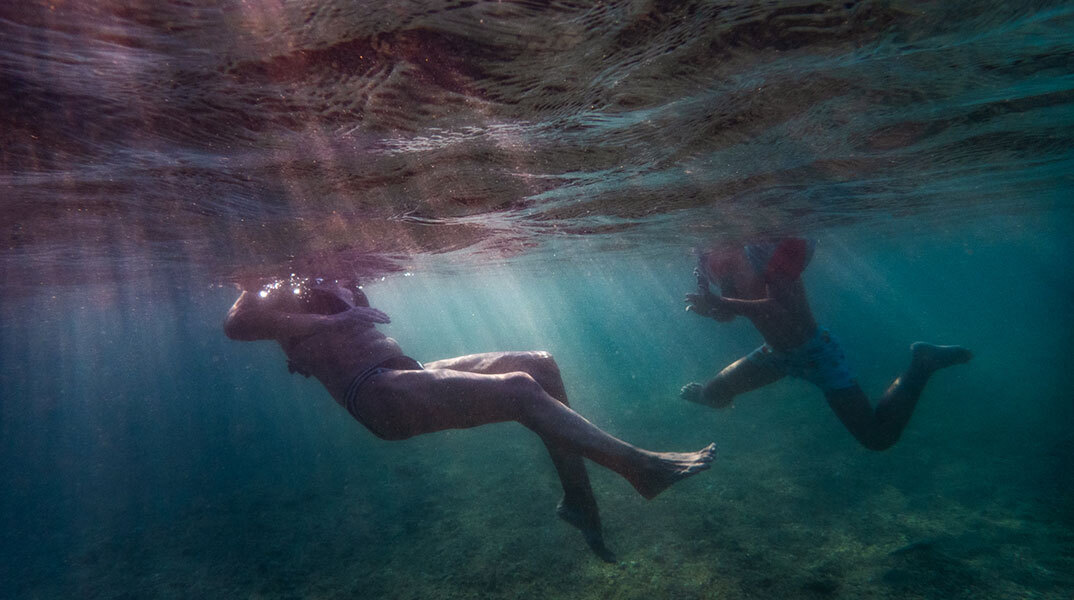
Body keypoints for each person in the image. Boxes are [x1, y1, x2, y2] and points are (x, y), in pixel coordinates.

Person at [224, 276, 716, 561]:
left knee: (539, 365)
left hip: (404, 373)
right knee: (520, 390)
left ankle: (580, 500)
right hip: (374, 395)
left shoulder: (327, 260)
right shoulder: (271, 274)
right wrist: (325, 322)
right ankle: (640, 468)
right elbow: (237, 324)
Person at [681, 238, 972, 451]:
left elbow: (779, 306)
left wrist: (718, 302)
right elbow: (729, 313)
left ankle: (923, 364)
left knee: (878, 438)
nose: (707, 257)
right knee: (714, 396)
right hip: (776, 354)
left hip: (815, 353)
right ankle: (707, 393)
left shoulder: (762, 251)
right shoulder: (719, 266)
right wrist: (713, 310)